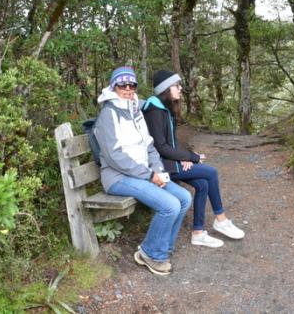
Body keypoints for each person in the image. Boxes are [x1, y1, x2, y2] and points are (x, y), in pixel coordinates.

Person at [94, 66, 191, 275]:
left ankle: (162, 247)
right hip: (117, 178)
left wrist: (158, 171)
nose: (128, 88)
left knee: (183, 197)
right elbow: (114, 156)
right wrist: (148, 175)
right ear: (114, 86)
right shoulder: (108, 115)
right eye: (122, 84)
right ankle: (151, 254)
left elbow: (149, 146)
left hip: (142, 174)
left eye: (132, 85)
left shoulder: (135, 111)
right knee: (169, 205)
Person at [142, 70, 245, 248]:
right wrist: (191, 157)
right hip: (160, 168)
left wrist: (183, 158)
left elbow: (171, 144)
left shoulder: (165, 108)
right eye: (177, 85)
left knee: (202, 184)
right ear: (166, 88)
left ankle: (198, 232)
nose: (180, 88)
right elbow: (161, 147)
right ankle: (221, 219)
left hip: (171, 163)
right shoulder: (154, 110)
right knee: (211, 172)